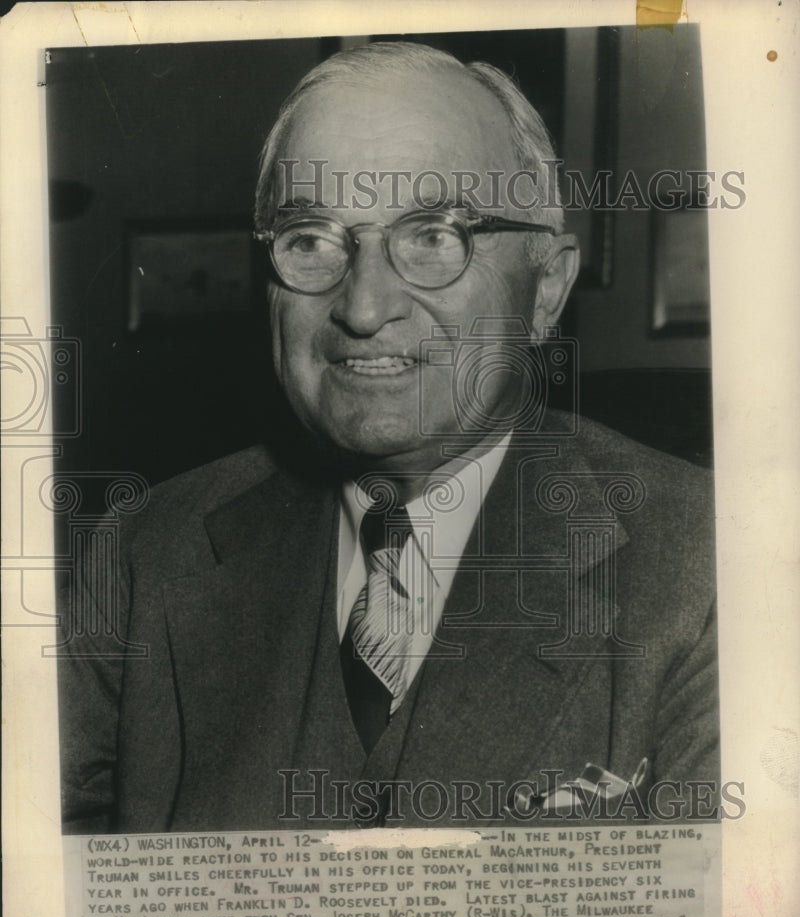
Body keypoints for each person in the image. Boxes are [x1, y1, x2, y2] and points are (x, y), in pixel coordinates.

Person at [58, 41, 718, 833]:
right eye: (310, 239)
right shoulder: (144, 552)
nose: (364, 307)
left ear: (546, 289)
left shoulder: (710, 568)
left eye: (434, 236)